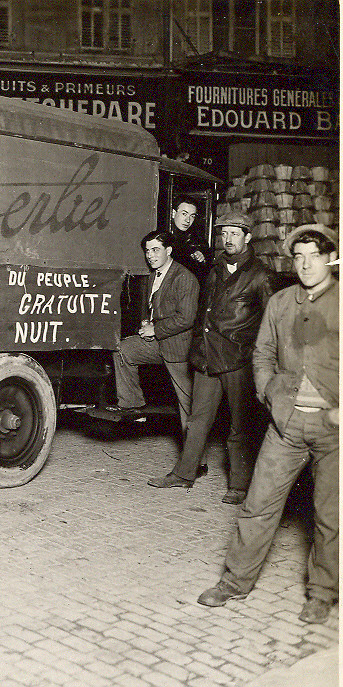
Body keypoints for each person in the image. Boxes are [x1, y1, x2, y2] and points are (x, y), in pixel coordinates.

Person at [197, 224, 338, 625]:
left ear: (330, 259)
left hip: (334, 431)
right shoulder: (279, 303)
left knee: (330, 516)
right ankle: (235, 581)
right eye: (299, 256)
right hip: (287, 425)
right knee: (257, 505)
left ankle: (322, 593)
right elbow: (262, 353)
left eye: (314, 255)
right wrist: (270, 396)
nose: (307, 263)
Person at [148, 212, 274, 503]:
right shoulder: (216, 269)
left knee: (239, 425)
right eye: (224, 233)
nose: (228, 239)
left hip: (237, 359)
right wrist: (196, 346)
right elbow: (203, 309)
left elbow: (272, 322)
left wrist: (258, 358)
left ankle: (240, 485)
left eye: (234, 233)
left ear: (247, 237)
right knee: (197, 418)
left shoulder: (260, 274)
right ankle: (183, 474)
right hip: (207, 355)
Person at [107, 229, 198, 429]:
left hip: (178, 348)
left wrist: (155, 330)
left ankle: (196, 457)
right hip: (157, 343)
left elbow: (186, 318)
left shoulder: (184, 277)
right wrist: (146, 323)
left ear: (169, 250)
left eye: (156, 250)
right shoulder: (152, 276)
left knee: (188, 404)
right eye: (148, 251)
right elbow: (153, 309)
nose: (150, 256)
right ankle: (131, 405)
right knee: (123, 349)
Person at [165, 196, 210, 281]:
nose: (188, 220)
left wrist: (202, 259)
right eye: (184, 214)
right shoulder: (163, 237)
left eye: (192, 216)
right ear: (173, 213)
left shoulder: (199, 242)